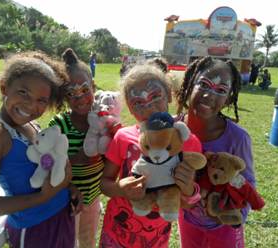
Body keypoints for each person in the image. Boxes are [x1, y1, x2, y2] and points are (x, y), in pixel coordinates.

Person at [0, 51, 83, 248]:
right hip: (33, 230)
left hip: (62, 217)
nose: (31, 105)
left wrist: (68, 187)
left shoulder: (33, 126)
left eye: (41, 100)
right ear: (5, 87)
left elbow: (47, 167)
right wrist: (43, 197)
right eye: (24, 92)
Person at [99, 58, 203, 248]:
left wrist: (187, 187)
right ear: (130, 109)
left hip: (156, 239)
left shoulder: (187, 142)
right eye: (138, 102)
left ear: (169, 96)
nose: (148, 107)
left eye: (155, 97)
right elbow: (104, 184)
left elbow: (188, 204)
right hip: (115, 233)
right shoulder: (123, 137)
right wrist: (119, 189)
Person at [175, 56, 257, 248]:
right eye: (204, 85)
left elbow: (248, 181)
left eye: (220, 90)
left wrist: (236, 217)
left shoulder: (237, 138)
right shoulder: (173, 128)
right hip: (188, 222)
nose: (210, 95)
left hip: (225, 229)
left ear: (228, 99)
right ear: (189, 85)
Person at [48, 48, 104, 248]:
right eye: (71, 93)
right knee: (68, 242)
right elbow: (48, 163)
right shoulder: (59, 125)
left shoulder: (103, 122)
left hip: (94, 198)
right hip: (67, 200)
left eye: (85, 90)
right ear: (63, 96)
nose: (80, 99)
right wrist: (75, 160)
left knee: (89, 240)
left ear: (93, 87)